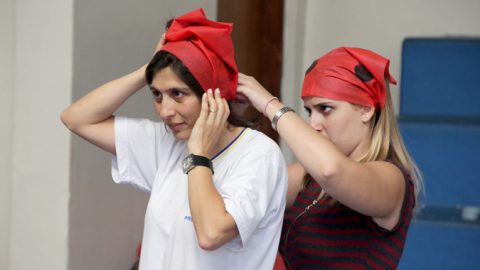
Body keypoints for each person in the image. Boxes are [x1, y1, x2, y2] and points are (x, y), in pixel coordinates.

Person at [61, 8, 287, 270]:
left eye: (178, 94)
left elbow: (211, 233)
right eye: (157, 94)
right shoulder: (165, 141)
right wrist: (149, 68)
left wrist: (198, 155)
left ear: (212, 94)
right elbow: (76, 118)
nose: (165, 111)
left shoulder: (259, 155)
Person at [237, 47, 423, 269]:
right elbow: (241, 196)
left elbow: (332, 170)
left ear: (366, 109)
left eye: (325, 108)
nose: (314, 124)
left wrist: (270, 105)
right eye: (309, 111)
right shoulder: (307, 176)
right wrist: (230, 116)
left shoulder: (393, 178)